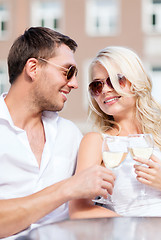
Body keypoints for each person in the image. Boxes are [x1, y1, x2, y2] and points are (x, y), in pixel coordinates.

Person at [0, 27, 116, 239]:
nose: (74, 84)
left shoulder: (69, 133)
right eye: (68, 71)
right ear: (33, 68)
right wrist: (67, 189)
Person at [69, 46, 161, 219]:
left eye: (116, 80)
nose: (106, 90)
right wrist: (137, 228)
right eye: (97, 85)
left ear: (136, 81)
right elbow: (78, 211)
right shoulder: (97, 142)